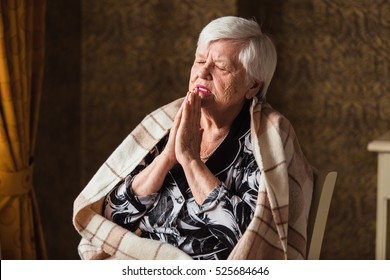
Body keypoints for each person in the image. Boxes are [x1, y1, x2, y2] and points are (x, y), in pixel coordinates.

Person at [73, 16, 313, 260]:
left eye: (221, 67)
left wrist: (190, 160)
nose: (203, 72)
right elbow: (114, 216)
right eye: (199, 60)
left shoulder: (265, 138)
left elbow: (252, 242)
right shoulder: (168, 122)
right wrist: (166, 158)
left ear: (252, 86)